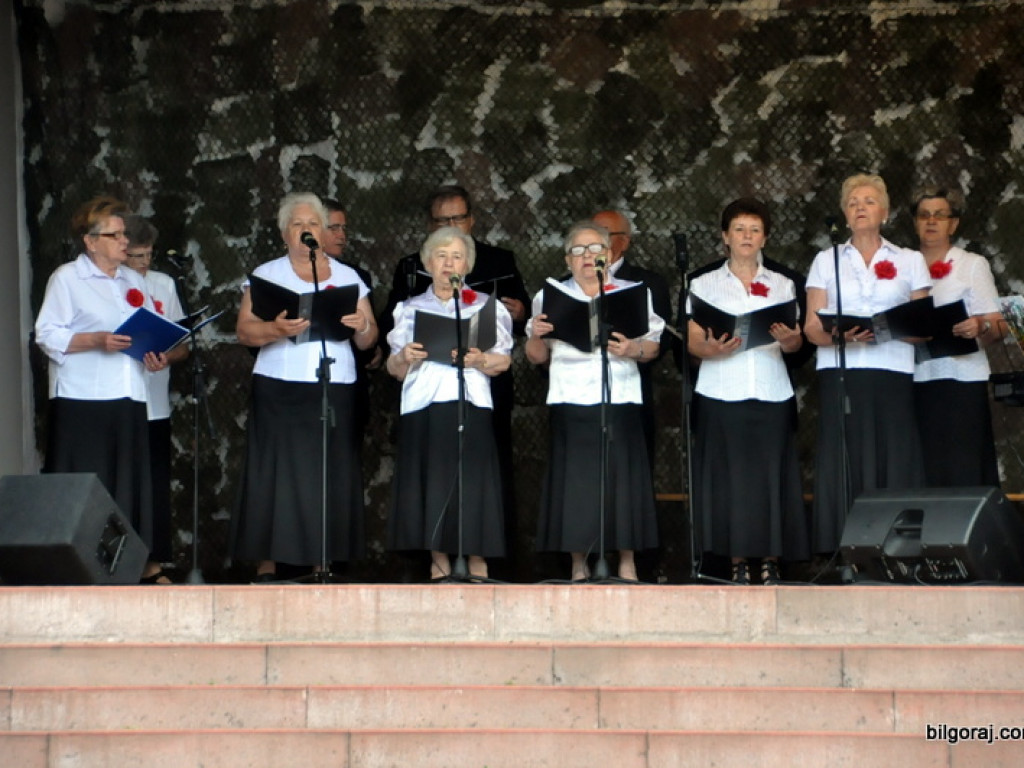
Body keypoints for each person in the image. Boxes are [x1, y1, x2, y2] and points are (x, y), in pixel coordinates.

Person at [382, 184, 530, 577]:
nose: (449, 264)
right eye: (441, 256)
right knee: (432, 481)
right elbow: (394, 368)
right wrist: (404, 357)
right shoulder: (410, 309)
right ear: (428, 264)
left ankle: (477, 561)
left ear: (467, 264)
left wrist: (480, 359)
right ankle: (439, 563)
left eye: (457, 256)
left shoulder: (485, 306)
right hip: (426, 403)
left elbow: (502, 361)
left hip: (471, 402)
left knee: (474, 482)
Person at [231, 192, 377, 582]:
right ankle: (267, 564)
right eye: (297, 224)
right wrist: (275, 329)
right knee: (272, 471)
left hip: (334, 385)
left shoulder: (348, 277)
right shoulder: (267, 274)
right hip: (280, 387)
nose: (306, 230)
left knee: (328, 471)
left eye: (313, 223)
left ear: (324, 232)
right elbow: (244, 332)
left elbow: (368, 340)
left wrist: (362, 326)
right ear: (284, 233)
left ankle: (322, 562)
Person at [34, 196, 170, 583]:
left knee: (128, 482)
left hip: (129, 394)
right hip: (83, 398)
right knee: (88, 482)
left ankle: (133, 565)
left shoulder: (133, 280)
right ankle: (77, 567)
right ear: (90, 241)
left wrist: (154, 354)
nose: (124, 241)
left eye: (124, 234)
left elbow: (147, 330)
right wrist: (95, 340)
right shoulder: (67, 279)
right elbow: (46, 334)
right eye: (115, 235)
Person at [526, 221, 664, 582]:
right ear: (567, 259)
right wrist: (536, 335)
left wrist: (632, 348)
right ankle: (579, 564)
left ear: (609, 253)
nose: (587, 256)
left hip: (620, 394)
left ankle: (627, 562)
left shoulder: (633, 292)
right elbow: (537, 357)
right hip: (571, 395)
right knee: (577, 483)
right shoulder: (549, 296)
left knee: (623, 479)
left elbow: (653, 346)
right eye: (578, 250)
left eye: (595, 249)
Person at [804, 174, 931, 556]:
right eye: (853, 202)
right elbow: (811, 328)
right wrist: (844, 337)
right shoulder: (826, 259)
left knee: (894, 456)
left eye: (869, 201)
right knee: (844, 458)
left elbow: (924, 328)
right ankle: (843, 550)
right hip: (841, 374)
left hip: (891, 374)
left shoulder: (909, 260)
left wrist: (883, 331)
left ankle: (896, 550)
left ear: (885, 212)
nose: (860, 207)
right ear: (845, 215)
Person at [686, 199, 809, 585]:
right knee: (730, 482)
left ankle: (771, 560)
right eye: (739, 229)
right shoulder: (702, 283)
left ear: (765, 238)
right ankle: (736, 562)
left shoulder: (784, 283)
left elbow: (796, 342)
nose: (746, 236)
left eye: (754, 230)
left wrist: (790, 341)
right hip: (721, 391)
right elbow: (693, 342)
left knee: (771, 480)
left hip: (770, 391)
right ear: (725, 236)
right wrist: (711, 349)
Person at [911, 185, 1003, 487]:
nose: (931, 221)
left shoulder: (971, 265)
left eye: (940, 215)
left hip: (960, 379)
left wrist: (980, 325)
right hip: (915, 379)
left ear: (953, 224)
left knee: (963, 464)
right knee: (924, 465)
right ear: (915, 222)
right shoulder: (903, 265)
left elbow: (998, 323)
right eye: (924, 215)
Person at [123, 215, 190, 584]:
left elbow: (182, 344)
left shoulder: (163, 283)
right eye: (136, 256)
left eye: (149, 255)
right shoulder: (112, 286)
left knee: (155, 485)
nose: (144, 263)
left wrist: (167, 355)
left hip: (156, 401)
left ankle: (155, 561)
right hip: (120, 399)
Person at [591, 210, 672, 467]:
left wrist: (633, 350)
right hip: (580, 391)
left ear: (624, 242)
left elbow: (663, 339)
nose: (598, 241)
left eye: (605, 234)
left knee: (632, 464)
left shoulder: (648, 283)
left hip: (631, 386)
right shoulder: (566, 284)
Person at [322, 198, 378, 428]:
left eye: (343, 228)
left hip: (350, 373)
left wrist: (372, 346)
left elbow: (368, 326)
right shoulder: (285, 273)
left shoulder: (356, 276)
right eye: (334, 228)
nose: (342, 235)